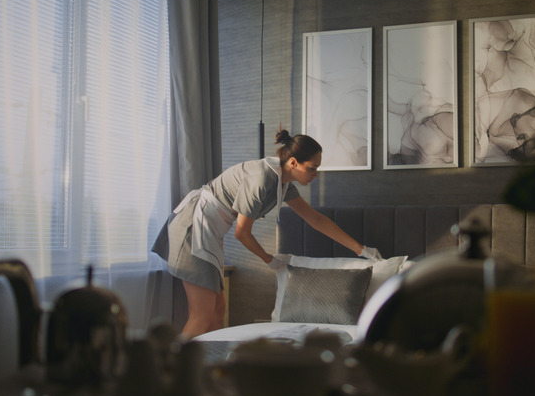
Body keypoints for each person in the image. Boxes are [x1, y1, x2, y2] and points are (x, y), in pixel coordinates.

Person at [152, 130, 382, 339]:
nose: (316, 175)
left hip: (210, 232)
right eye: (312, 168)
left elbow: (315, 219)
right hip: (193, 227)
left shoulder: (283, 183)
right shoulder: (262, 178)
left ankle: (205, 364)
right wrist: (268, 259)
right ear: (294, 163)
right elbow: (242, 233)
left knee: (217, 311)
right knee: (201, 315)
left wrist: (361, 249)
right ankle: (173, 368)